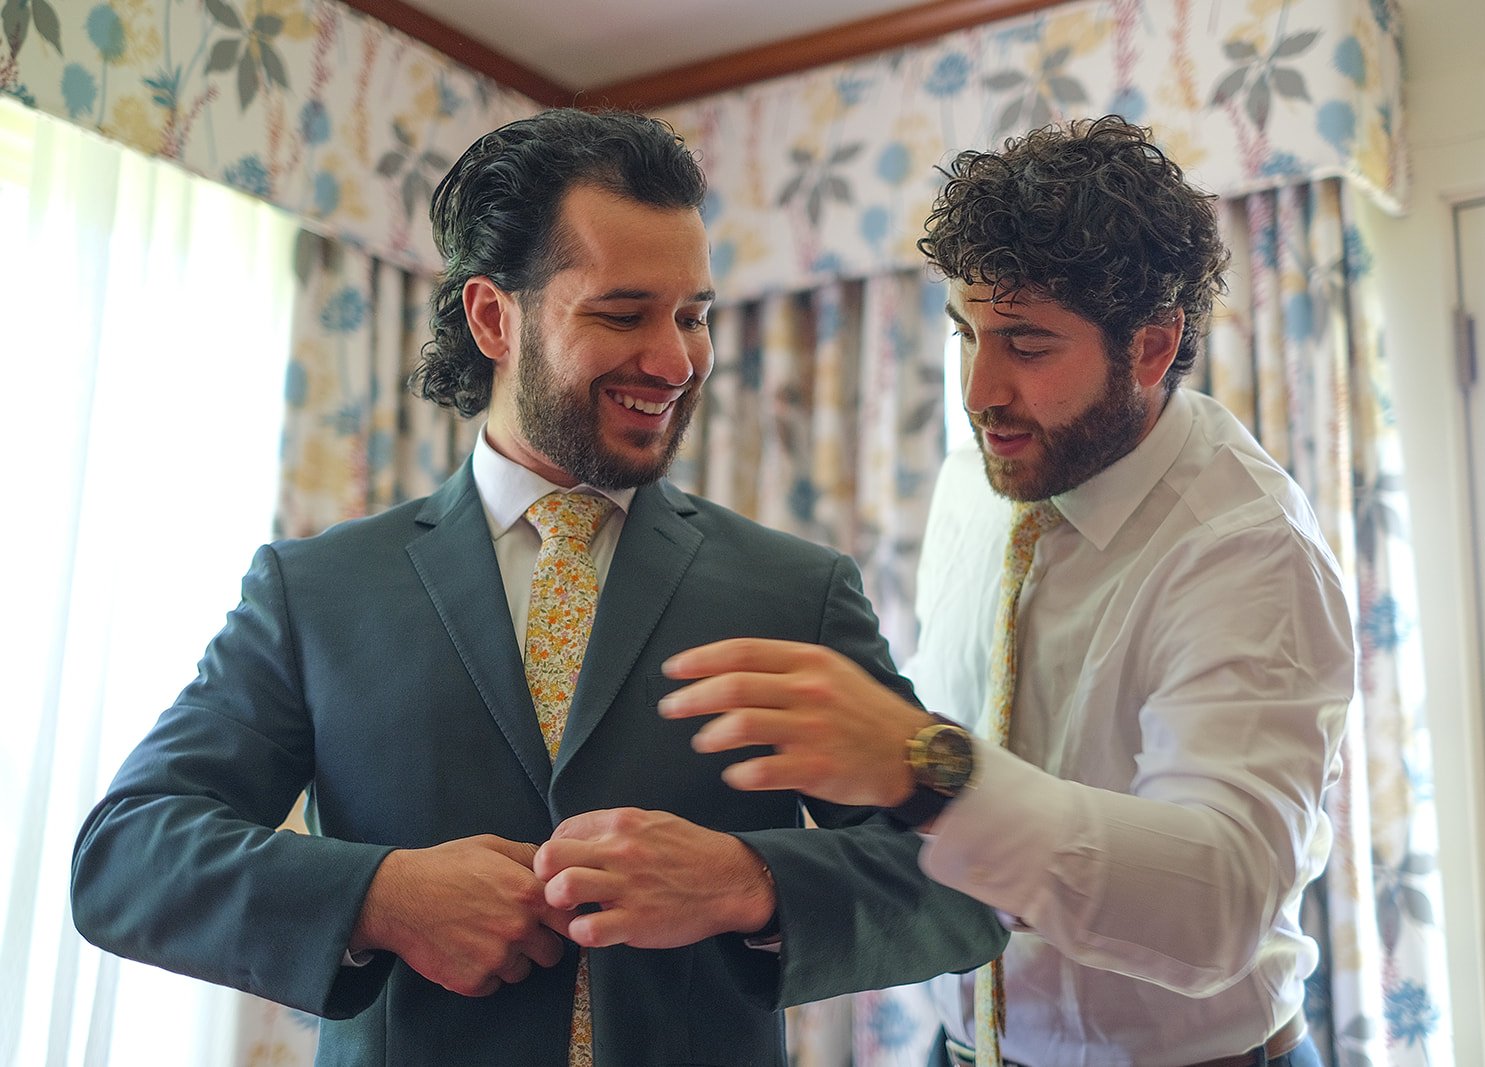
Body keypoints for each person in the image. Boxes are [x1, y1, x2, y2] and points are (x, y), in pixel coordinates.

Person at [70, 109, 1005, 1067]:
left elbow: (967, 886)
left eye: (693, 315)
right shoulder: (316, 592)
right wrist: (381, 896)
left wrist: (749, 879)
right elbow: (127, 857)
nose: (677, 362)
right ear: (493, 317)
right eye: (622, 312)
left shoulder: (795, 592)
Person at [661, 116, 1353, 1067]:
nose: (979, 389)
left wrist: (925, 767)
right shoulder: (976, 480)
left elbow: (1218, 900)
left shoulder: (1248, 549)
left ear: (1152, 349)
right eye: (965, 332)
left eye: (1026, 343)